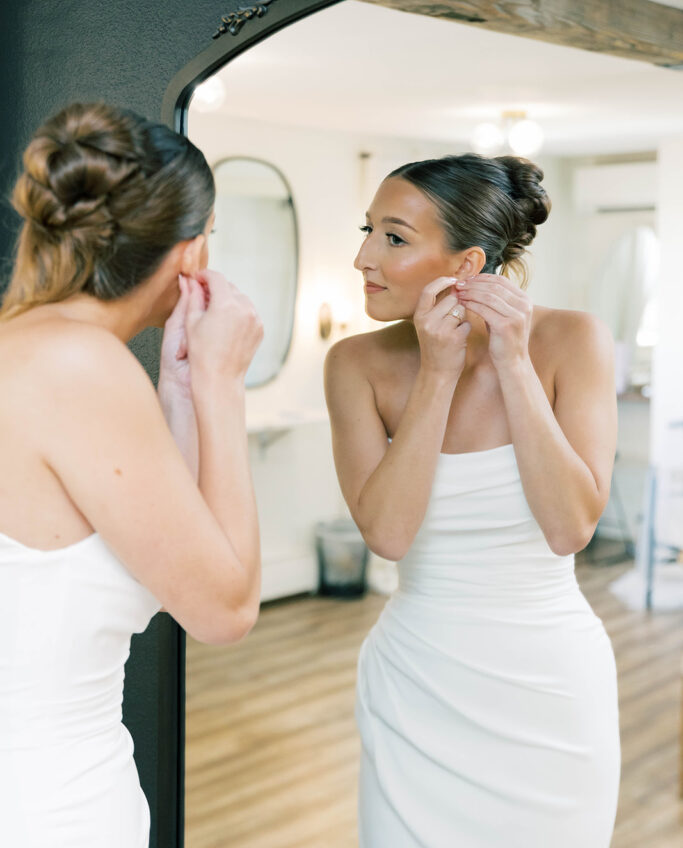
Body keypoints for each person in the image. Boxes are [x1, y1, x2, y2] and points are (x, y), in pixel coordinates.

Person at [324, 154, 620, 848]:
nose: (364, 257)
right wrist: (437, 373)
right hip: (417, 686)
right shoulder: (354, 365)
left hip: (548, 691)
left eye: (393, 238)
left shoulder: (573, 341)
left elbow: (569, 528)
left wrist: (514, 363)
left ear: (467, 264)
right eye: (368, 231)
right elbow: (388, 536)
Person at [0, 103, 263, 847]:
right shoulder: (80, 365)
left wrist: (179, 389)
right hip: (50, 803)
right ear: (190, 251)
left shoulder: (28, 348)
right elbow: (225, 611)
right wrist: (222, 385)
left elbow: (160, 554)